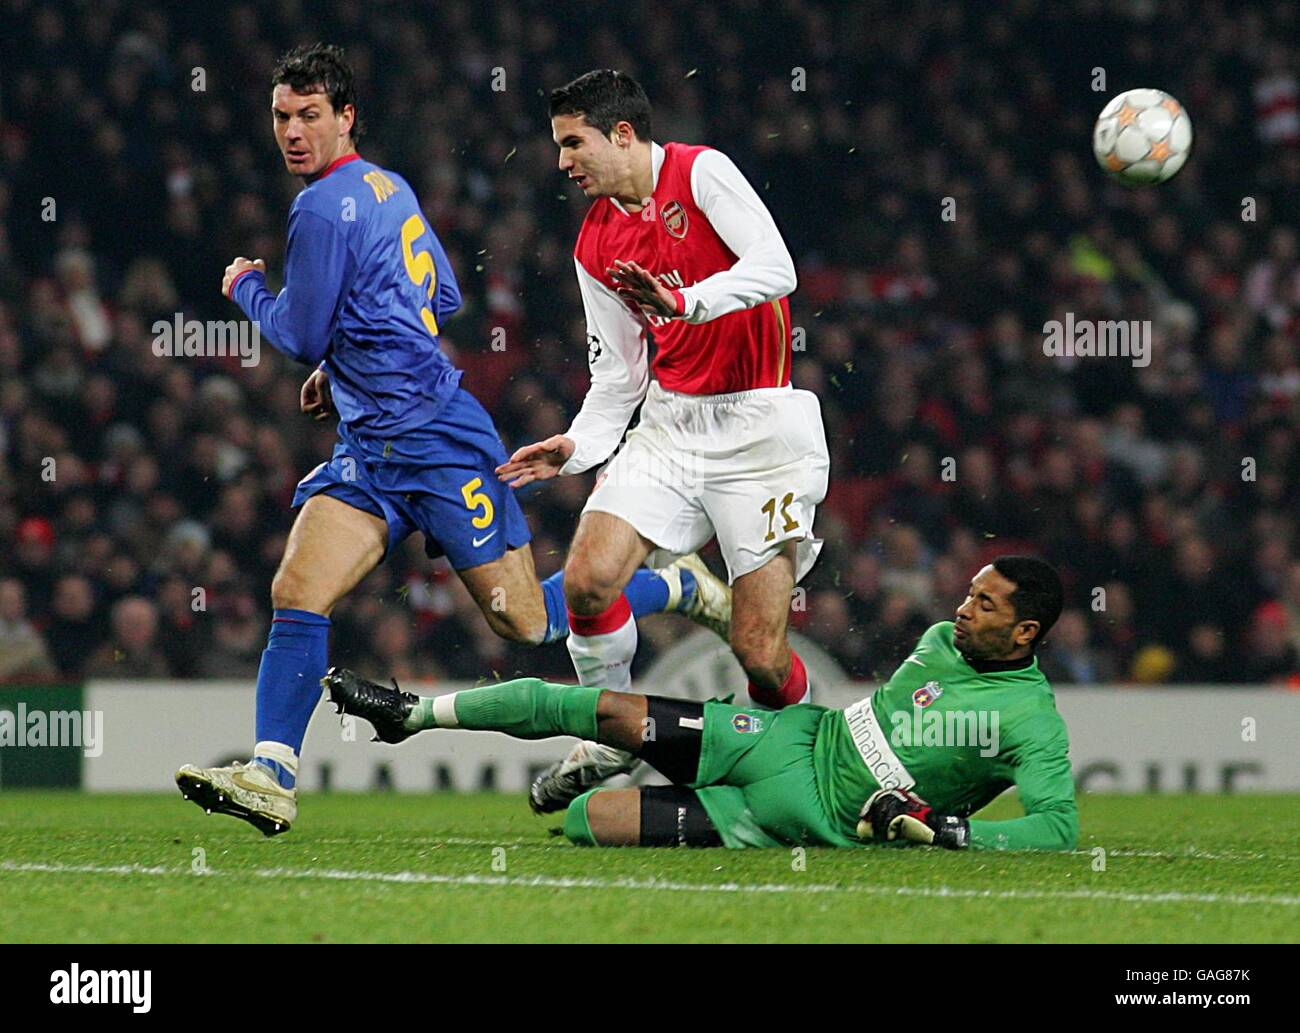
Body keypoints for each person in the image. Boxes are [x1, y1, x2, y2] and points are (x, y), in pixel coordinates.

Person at [175, 45, 729, 837]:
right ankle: (272, 772)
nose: (292, 131)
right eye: (280, 116)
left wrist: (246, 287)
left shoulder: (322, 206)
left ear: (345, 117)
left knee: (526, 622)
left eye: (309, 115)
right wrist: (351, 367)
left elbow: (297, 331)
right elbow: (438, 292)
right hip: (370, 449)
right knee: (298, 591)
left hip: (440, 443)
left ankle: (675, 584)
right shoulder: (389, 188)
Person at [495, 70, 830, 812]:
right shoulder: (594, 242)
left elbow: (778, 270)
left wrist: (685, 302)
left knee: (761, 656)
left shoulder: (701, 171)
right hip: (672, 427)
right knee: (585, 579)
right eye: (557, 146)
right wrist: (577, 448)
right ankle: (613, 732)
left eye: (572, 142)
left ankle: (820, 757)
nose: (562, 162)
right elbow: (618, 376)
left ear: (621, 133)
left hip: (764, 431)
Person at [327, 557, 1078, 852]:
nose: (963, 606)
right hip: (789, 738)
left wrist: (951, 829)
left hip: (802, 818)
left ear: (1025, 631)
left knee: (589, 824)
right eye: (971, 592)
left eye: (985, 602)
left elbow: (1058, 830)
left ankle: (633, 761)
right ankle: (411, 714)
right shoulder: (945, 639)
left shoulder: (1031, 721)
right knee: (605, 706)